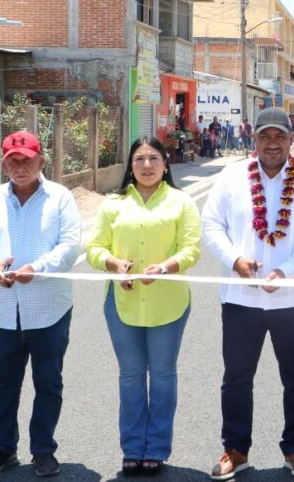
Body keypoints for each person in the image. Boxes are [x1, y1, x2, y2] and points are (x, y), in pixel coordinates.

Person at [201, 107, 294, 480]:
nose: (272, 144)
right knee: (237, 378)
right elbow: (212, 226)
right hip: (242, 298)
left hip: (293, 299)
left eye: (279, 136)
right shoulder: (230, 178)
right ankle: (235, 449)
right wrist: (235, 260)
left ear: (292, 139)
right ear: (253, 138)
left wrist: (287, 271)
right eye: (264, 136)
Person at [0, 131, 81, 479]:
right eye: (12, 161)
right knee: (4, 382)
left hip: (49, 309)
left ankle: (43, 450)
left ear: (40, 161)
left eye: (26, 160)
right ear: (4, 164)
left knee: (48, 382)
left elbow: (70, 246)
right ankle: (2, 449)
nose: (19, 167)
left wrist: (38, 269)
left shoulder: (60, 198)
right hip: (4, 310)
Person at [86, 136, 202, 477]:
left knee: (163, 376)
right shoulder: (113, 204)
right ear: (130, 165)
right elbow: (94, 248)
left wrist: (165, 267)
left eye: (154, 158)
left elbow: (191, 249)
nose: (147, 165)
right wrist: (114, 265)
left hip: (169, 304)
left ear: (166, 164)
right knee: (131, 376)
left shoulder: (182, 203)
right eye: (140, 159)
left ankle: (157, 449)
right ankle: (133, 448)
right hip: (122, 303)